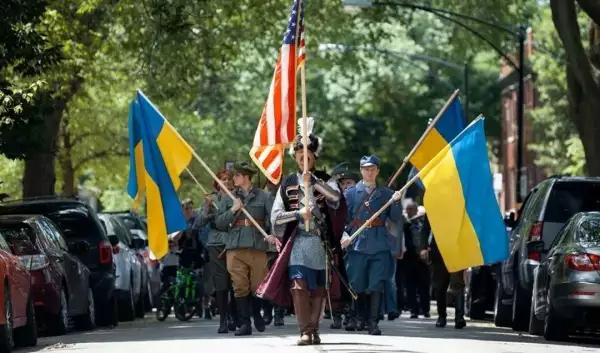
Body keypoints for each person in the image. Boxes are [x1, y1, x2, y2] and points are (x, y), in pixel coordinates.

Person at [269, 120, 346, 345]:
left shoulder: (325, 179)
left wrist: (314, 183)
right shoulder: (287, 183)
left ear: (314, 157)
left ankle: (315, 329)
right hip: (297, 243)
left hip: (320, 242)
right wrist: (297, 214)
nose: (304, 159)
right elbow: (276, 217)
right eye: (300, 155)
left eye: (308, 155)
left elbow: (336, 200)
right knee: (298, 286)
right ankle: (304, 330)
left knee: (319, 290)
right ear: (295, 157)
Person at [341, 155, 403, 336]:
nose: (369, 172)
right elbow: (344, 220)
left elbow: (396, 218)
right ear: (361, 171)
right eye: (366, 169)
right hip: (357, 243)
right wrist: (344, 235)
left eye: (372, 169)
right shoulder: (351, 193)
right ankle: (356, 316)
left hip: (379, 243)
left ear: (377, 171)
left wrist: (397, 200)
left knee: (376, 284)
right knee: (356, 283)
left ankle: (373, 322)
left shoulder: (386, 194)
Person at [215, 161, 273, 336]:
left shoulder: (264, 197)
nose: (234, 179)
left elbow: (271, 219)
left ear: (246, 177)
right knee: (239, 286)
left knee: (257, 285)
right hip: (235, 246)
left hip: (257, 245)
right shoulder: (229, 198)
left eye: (237, 175)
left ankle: (256, 314)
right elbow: (219, 223)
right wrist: (233, 210)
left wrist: (271, 235)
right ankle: (244, 323)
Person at [195, 169, 237, 333]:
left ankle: (235, 316)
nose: (226, 182)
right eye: (222, 179)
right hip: (216, 244)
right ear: (217, 182)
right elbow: (197, 223)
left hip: (234, 243)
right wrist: (206, 209)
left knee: (235, 282)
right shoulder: (211, 199)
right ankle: (223, 320)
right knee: (221, 283)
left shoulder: (237, 198)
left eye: (228, 179)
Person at [429, 236, 467, 329]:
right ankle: (441, 316)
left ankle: (459, 317)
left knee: (457, 283)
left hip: (458, 249)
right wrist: (422, 247)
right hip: (439, 252)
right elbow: (426, 227)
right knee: (440, 286)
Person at [402, 200, 431, 319]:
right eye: (407, 209)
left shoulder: (423, 223)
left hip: (423, 261)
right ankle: (413, 310)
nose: (409, 211)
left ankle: (425, 309)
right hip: (409, 260)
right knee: (410, 287)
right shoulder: (406, 225)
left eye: (411, 209)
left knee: (424, 286)